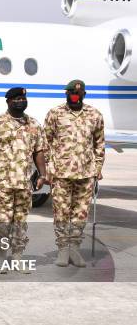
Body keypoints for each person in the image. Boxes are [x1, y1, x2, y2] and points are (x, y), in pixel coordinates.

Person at [0, 87, 47, 274]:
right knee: (2, 222)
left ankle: (18, 257)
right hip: (3, 182)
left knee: (21, 222)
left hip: (24, 183)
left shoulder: (33, 124)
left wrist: (43, 174)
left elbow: (39, 151)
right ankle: (1, 257)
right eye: (17, 99)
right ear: (8, 101)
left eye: (23, 99)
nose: (20, 101)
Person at [45, 80, 105, 267]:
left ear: (83, 95)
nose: (74, 96)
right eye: (70, 93)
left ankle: (75, 249)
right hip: (61, 174)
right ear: (66, 95)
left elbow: (99, 144)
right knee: (61, 213)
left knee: (80, 213)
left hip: (86, 173)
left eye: (77, 94)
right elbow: (45, 142)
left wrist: (97, 168)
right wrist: (49, 168)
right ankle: (63, 249)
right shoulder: (55, 113)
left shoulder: (95, 115)